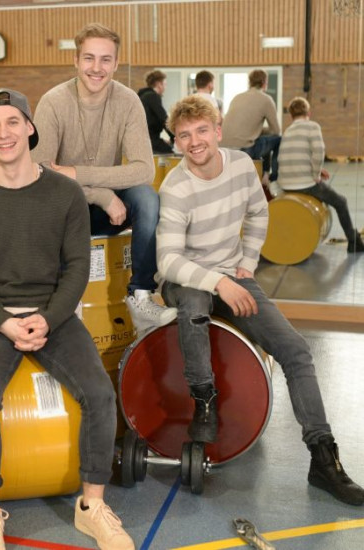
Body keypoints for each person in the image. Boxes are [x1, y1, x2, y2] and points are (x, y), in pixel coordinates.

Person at [0, 89, 135, 549]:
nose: (4, 133)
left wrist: (48, 319)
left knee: (100, 394)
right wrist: (2, 322)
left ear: (30, 128)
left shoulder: (65, 194)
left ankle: (91, 506)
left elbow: (77, 268)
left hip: (55, 315)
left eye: (13, 122)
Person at [156, 95, 364, 506]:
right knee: (194, 305)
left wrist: (247, 265)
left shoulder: (240, 167)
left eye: (202, 131)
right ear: (176, 142)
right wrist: (219, 282)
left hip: (233, 276)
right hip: (186, 280)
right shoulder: (175, 187)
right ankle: (204, 403)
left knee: (296, 351)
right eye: (184, 135)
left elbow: (258, 214)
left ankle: (323, 458)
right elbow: (169, 261)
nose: (194, 141)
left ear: (218, 131)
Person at [32, 23, 176, 334]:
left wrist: (76, 173)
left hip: (110, 214)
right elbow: (40, 173)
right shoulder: (53, 102)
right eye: (89, 58)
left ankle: (141, 296)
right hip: (65, 210)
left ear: (116, 63)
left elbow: (144, 170)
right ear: (76, 60)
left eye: (105, 59)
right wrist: (101, 195)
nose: (97, 68)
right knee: (48, 200)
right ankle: (62, 303)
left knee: (147, 198)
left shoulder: (128, 101)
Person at [277, 96, 364, 253]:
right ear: (309, 113)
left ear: (291, 115)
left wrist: (315, 169)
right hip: (304, 184)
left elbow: (293, 157)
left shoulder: (288, 131)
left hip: (285, 184)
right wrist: (316, 174)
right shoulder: (312, 126)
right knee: (341, 202)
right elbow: (319, 151)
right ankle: (354, 242)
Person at [221, 69, 280, 185]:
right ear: (265, 83)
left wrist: (257, 131)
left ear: (250, 82)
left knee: (262, 139)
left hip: (223, 148)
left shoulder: (237, 97)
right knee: (277, 139)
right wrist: (260, 130)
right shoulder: (266, 99)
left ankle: (264, 173)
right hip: (244, 149)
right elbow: (276, 130)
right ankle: (271, 177)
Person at [138, 69, 175, 154]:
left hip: (142, 140)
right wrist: (175, 138)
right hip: (149, 141)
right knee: (171, 153)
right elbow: (164, 120)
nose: (165, 87)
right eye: (165, 84)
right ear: (159, 84)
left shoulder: (143, 96)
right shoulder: (152, 97)